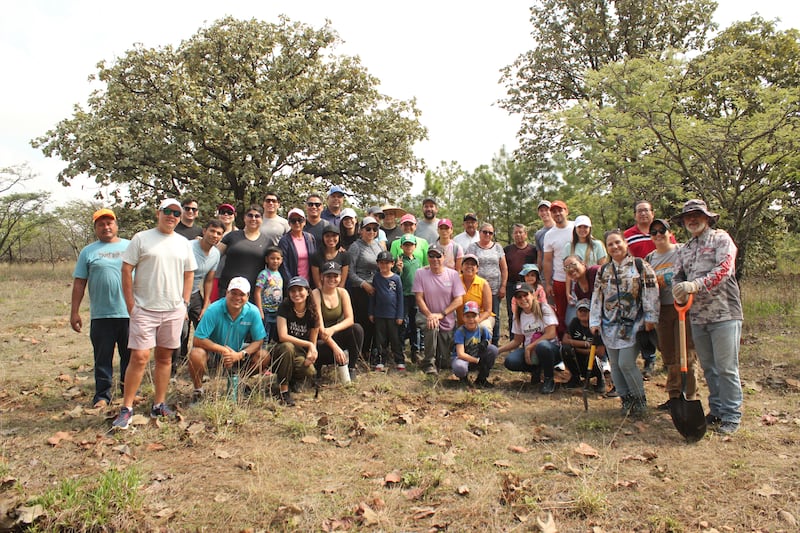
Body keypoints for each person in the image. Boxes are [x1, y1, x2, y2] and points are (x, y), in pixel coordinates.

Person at [112, 198, 197, 430]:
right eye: (167, 211)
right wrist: (131, 305)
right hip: (144, 308)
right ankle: (126, 408)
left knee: (164, 358)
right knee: (139, 357)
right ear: (158, 213)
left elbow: (189, 272)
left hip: (172, 309)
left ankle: (159, 403)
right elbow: (126, 269)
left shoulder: (183, 243)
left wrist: (185, 301)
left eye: (176, 213)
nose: (172, 216)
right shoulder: (142, 238)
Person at [671, 199, 743, 435]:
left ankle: (732, 416)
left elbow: (724, 269)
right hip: (697, 317)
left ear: (707, 217)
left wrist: (695, 285)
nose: (692, 219)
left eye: (697, 215)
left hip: (724, 314)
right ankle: (718, 410)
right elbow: (676, 276)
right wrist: (678, 290)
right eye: (688, 216)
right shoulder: (684, 249)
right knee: (710, 368)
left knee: (726, 368)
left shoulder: (721, 239)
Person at [589, 229, 659, 417]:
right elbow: (597, 296)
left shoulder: (639, 266)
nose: (615, 246)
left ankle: (640, 399)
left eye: (617, 242)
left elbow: (651, 291)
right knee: (616, 364)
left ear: (625, 243)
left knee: (627, 363)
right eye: (610, 244)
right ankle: (625, 399)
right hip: (609, 325)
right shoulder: (604, 270)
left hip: (634, 324)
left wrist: (651, 318)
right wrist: (594, 321)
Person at [70, 208, 131, 409]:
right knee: (102, 358)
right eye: (101, 224)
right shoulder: (88, 251)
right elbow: (80, 282)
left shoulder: (130, 247)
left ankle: (129, 393)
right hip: (101, 315)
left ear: (116, 225)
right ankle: (102, 396)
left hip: (129, 313)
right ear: (96, 228)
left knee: (129, 357)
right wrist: (74, 312)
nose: (106, 227)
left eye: (109, 223)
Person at [645, 218, 698, 411]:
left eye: (662, 230)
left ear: (670, 232)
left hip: (683, 307)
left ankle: (689, 397)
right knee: (668, 354)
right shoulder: (650, 258)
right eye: (654, 232)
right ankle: (674, 397)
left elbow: (693, 274)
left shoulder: (682, 251)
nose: (658, 235)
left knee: (686, 353)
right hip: (662, 310)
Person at [187, 277, 268, 402]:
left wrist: (240, 355)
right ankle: (198, 390)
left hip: (238, 352)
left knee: (264, 355)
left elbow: (259, 340)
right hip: (214, 353)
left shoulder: (253, 311)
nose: (237, 297)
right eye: (233, 293)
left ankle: (237, 381)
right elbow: (198, 339)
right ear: (226, 293)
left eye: (241, 294)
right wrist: (223, 350)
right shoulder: (214, 309)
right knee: (196, 353)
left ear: (247, 296)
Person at [624, 200, 676, 376]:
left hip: (668, 292)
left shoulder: (665, 233)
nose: (643, 214)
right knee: (645, 326)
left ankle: (671, 362)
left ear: (652, 213)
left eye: (646, 210)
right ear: (635, 215)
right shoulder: (628, 235)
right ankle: (649, 359)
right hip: (641, 287)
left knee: (667, 330)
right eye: (639, 211)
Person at [175, 218, 224, 374]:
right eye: (212, 231)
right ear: (204, 231)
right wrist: (182, 304)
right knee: (180, 331)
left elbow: (209, 280)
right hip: (177, 294)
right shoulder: (187, 247)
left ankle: (204, 364)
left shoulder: (216, 254)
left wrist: (206, 304)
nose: (214, 235)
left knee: (205, 327)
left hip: (196, 293)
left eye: (219, 233)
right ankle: (173, 369)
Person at [498, 282, 561, 394]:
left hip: (550, 350)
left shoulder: (544, 308)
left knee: (542, 346)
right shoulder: (518, 315)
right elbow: (517, 341)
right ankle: (536, 370)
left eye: (525, 295)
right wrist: (497, 351)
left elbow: (551, 334)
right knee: (510, 361)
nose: (522, 299)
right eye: (519, 297)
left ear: (532, 294)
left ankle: (549, 379)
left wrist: (529, 347)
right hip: (531, 353)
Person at [413, 244, 466, 374]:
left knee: (445, 362)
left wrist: (441, 314)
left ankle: (437, 358)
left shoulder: (453, 275)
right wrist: (430, 315)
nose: (435, 259)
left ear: (444, 257)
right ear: (428, 257)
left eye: (438, 256)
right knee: (432, 325)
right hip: (426, 315)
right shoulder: (420, 273)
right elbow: (419, 298)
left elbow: (459, 299)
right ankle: (428, 363)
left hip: (446, 318)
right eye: (431, 256)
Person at [269, 277, 320, 406]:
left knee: (310, 371)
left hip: (299, 352)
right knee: (288, 347)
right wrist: (308, 344)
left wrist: (311, 352)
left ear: (308, 291)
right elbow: (283, 336)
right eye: (292, 291)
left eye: (300, 290)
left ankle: (291, 380)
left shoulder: (313, 311)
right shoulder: (285, 306)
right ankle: (283, 391)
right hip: (280, 350)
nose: (296, 294)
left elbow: (313, 342)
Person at [312, 261, 364, 380]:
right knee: (318, 345)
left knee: (357, 329)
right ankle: (317, 369)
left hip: (334, 334)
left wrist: (333, 329)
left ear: (340, 277)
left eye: (335, 276)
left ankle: (351, 368)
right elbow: (319, 328)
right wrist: (336, 349)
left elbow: (350, 319)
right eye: (328, 276)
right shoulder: (316, 294)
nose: (332, 279)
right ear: (322, 277)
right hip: (321, 340)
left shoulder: (342, 292)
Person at [217, 205, 271, 305]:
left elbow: (272, 268)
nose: (253, 218)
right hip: (227, 289)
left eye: (257, 216)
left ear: (262, 219)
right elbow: (214, 256)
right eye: (250, 215)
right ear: (244, 218)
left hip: (251, 293)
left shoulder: (267, 242)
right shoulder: (232, 236)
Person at [347, 216, 383, 361]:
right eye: (368, 229)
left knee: (375, 321)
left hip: (377, 287)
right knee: (363, 321)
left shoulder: (378, 245)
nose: (371, 232)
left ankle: (373, 351)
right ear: (361, 230)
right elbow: (350, 272)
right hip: (361, 289)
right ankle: (360, 352)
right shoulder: (356, 246)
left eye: (375, 229)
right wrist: (364, 284)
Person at [466, 223, 508, 346]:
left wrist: (503, 286)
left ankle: (494, 342)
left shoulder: (498, 247)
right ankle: (476, 341)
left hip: (495, 288)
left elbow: (504, 268)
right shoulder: (472, 247)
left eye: (490, 233)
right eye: (485, 232)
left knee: (494, 314)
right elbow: (468, 265)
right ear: (480, 232)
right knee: (476, 313)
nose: (487, 235)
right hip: (477, 287)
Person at [542, 200, 574, 336]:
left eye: (560, 210)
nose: (557, 214)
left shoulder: (576, 227)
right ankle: (563, 345)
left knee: (582, 312)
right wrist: (548, 283)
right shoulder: (549, 235)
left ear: (566, 211)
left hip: (579, 278)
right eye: (554, 211)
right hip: (559, 279)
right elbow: (548, 260)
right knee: (561, 314)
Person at [369, 251, 404, 370]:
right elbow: (373, 296)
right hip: (379, 314)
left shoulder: (396, 278)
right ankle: (380, 360)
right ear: (378, 264)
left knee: (395, 339)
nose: (384, 266)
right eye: (381, 263)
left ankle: (399, 360)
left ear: (392, 264)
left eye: (387, 263)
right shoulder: (376, 278)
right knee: (380, 339)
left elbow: (400, 298)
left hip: (393, 315)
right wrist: (371, 312)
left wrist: (400, 315)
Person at [560, 299, 606, 391]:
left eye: (586, 311)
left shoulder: (597, 326)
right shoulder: (575, 322)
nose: (583, 313)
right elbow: (565, 340)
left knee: (593, 357)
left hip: (593, 359)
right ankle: (575, 377)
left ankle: (600, 379)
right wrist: (586, 344)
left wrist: (577, 348)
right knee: (565, 349)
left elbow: (600, 352)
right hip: (578, 358)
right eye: (581, 311)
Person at [452, 301, 498, 388]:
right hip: (464, 359)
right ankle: (464, 379)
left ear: (479, 316)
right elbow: (460, 354)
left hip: (477, 355)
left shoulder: (482, 329)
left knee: (493, 350)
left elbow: (489, 343)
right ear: (463, 317)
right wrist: (477, 361)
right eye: (468, 316)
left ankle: (482, 378)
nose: (471, 319)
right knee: (459, 367)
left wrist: (485, 344)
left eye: (474, 316)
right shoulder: (460, 332)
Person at [504, 223, 537, 336]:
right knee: (512, 313)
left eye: (520, 232)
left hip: (528, 286)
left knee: (530, 311)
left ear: (525, 234)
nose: (518, 235)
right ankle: (514, 339)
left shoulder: (533, 250)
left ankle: (530, 337)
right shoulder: (507, 250)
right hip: (511, 285)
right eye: (515, 233)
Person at [395, 234, 423, 363]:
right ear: (401, 246)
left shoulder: (417, 261)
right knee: (403, 324)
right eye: (406, 245)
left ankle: (415, 351)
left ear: (415, 246)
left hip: (416, 296)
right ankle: (400, 350)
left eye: (411, 245)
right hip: (404, 296)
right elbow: (396, 279)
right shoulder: (399, 261)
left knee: (415, 324)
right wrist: (398, 269)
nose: (408, 247)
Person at [278, 207, 316, 286]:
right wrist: (292, 284)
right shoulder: (284, 241)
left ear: (304, 222)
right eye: (293, 220)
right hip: (293, 285)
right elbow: (283, 265)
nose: (297, 223)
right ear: (289, 223)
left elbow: (315, 260)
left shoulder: (310, 238)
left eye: (300, 220)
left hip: (309, 284)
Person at [455, 254, 494, 331]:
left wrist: (475, 322)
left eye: (473, 264)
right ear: (462, 267)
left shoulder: (483, 284)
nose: (469, 266)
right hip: (459, 320)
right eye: (467, 264)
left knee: (484, 327)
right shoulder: (455, 281)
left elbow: (488, 310)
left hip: (480, 318)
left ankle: (485, 343)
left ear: (477, 269)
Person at [208, 202, 238, 302]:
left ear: (234, 216)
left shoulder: (239, 234)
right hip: (214, 276)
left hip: (233, 278)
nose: (226, 215)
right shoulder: (210, 233)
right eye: (223, 212)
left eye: (229, 212)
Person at [254, 247, 284, 343]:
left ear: (281, 260)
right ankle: (262, 356)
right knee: (264, 337)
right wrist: (260, 310)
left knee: (273, 336)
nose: (275, 261)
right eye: (272, 258)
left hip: (276, 311)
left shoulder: (279, 274)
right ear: (267, 259)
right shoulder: (264, 274)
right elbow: (257, 292)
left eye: (278, 259)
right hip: (266, 311)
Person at [534, 201, 554, 272]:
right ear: (539, 213)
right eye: (541, 211)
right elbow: (540, 256)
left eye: (547, 210)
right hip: (546, 274)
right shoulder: (538, 234)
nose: (544, 213)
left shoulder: (561, 228)